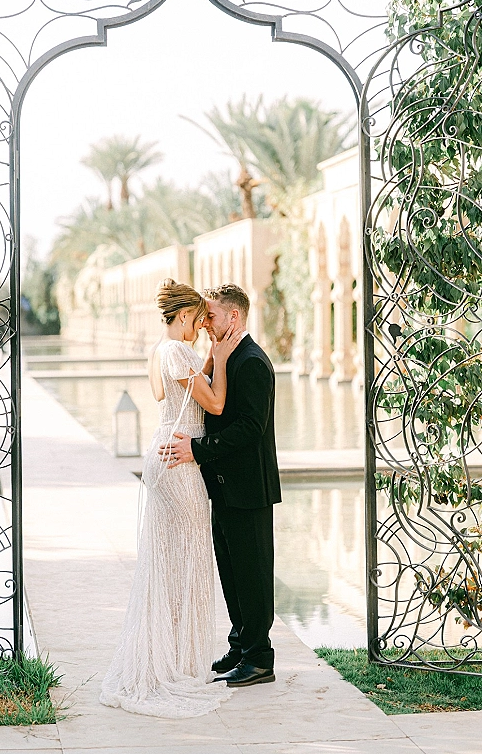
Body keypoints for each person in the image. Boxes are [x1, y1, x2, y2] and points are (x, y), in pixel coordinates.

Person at [100, 278, 242, 718]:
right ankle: (176, 661)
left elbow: (166, 394)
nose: (203, 327)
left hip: (164, 453)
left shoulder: (159, 352)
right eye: (199, 319)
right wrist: (218, 357)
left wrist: (201, 360)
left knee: (169, 557)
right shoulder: (180, 352)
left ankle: (171, 652)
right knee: (191, 554)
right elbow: (215, 404)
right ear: (184, 316)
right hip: (181, 459)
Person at [162, 283, 282, 687]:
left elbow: (251, 428)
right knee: (231, 572)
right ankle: (240, 646)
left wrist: (198, 449)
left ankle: (260, 658)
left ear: (234, 317)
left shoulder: (251, 361)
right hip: (223, 486)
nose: (206, 323)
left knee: (252, 573)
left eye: (211, 316)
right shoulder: (228, 357)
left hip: (248, 488)